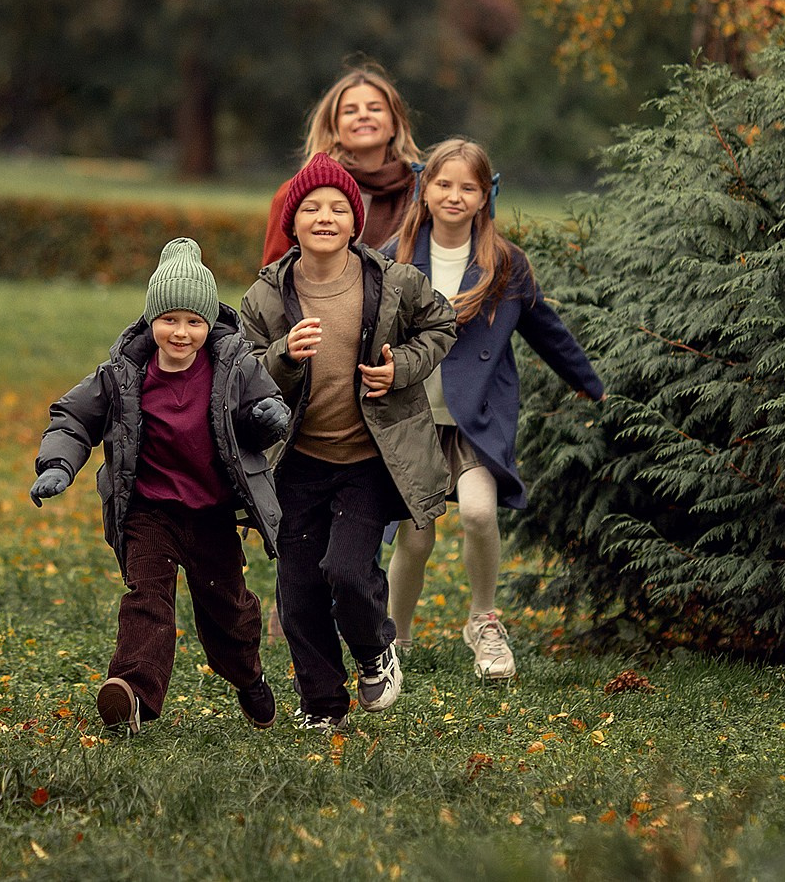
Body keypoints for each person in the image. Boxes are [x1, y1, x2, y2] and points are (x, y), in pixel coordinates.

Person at [30, 239, 292, 733]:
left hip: (211, 514)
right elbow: (73, 418)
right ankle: (130, 694)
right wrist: (58, 465)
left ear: (208, 323)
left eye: (193, 321)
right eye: (169, 319)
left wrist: (268, 419)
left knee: (229, 611)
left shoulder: (234, 368)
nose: (181, 332)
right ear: (152, 319)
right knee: (146, 600)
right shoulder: (122, 375)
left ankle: (248, 676)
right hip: (149, 512)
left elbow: (261, 413)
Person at [239, 154, 458, 729]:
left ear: (355, 221)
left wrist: (401, 367)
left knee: (346, 569)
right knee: (298, 588)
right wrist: (283, 355)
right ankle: (321, 703)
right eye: (311, 208)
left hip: (367, 460)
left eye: (338, 208)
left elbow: (441, 325)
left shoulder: (393, 281)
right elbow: (245, 371)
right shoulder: (267, 295)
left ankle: (374, 647)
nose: (325, 217)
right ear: (292, 222)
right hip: (297, 461)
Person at [381, 139, 604, 680]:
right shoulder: (393, 256)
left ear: (486, 196)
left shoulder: (505, 264)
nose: (454, 196)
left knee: (480, 513)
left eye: (469, 187)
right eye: (444, 184)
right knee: (416, 536)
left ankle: (483, 621)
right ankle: (393, 640)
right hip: (413, 419)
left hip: (475, 418)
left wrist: (590, 385)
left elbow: (547, 330)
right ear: (424, 189)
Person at [259, 67, 423, 267]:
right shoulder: (295, 192)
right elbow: (275, 272)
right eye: (350, 111)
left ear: (394, 125)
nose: (363, 115)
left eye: (375, 109)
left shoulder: (421, 193)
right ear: (334, 128)